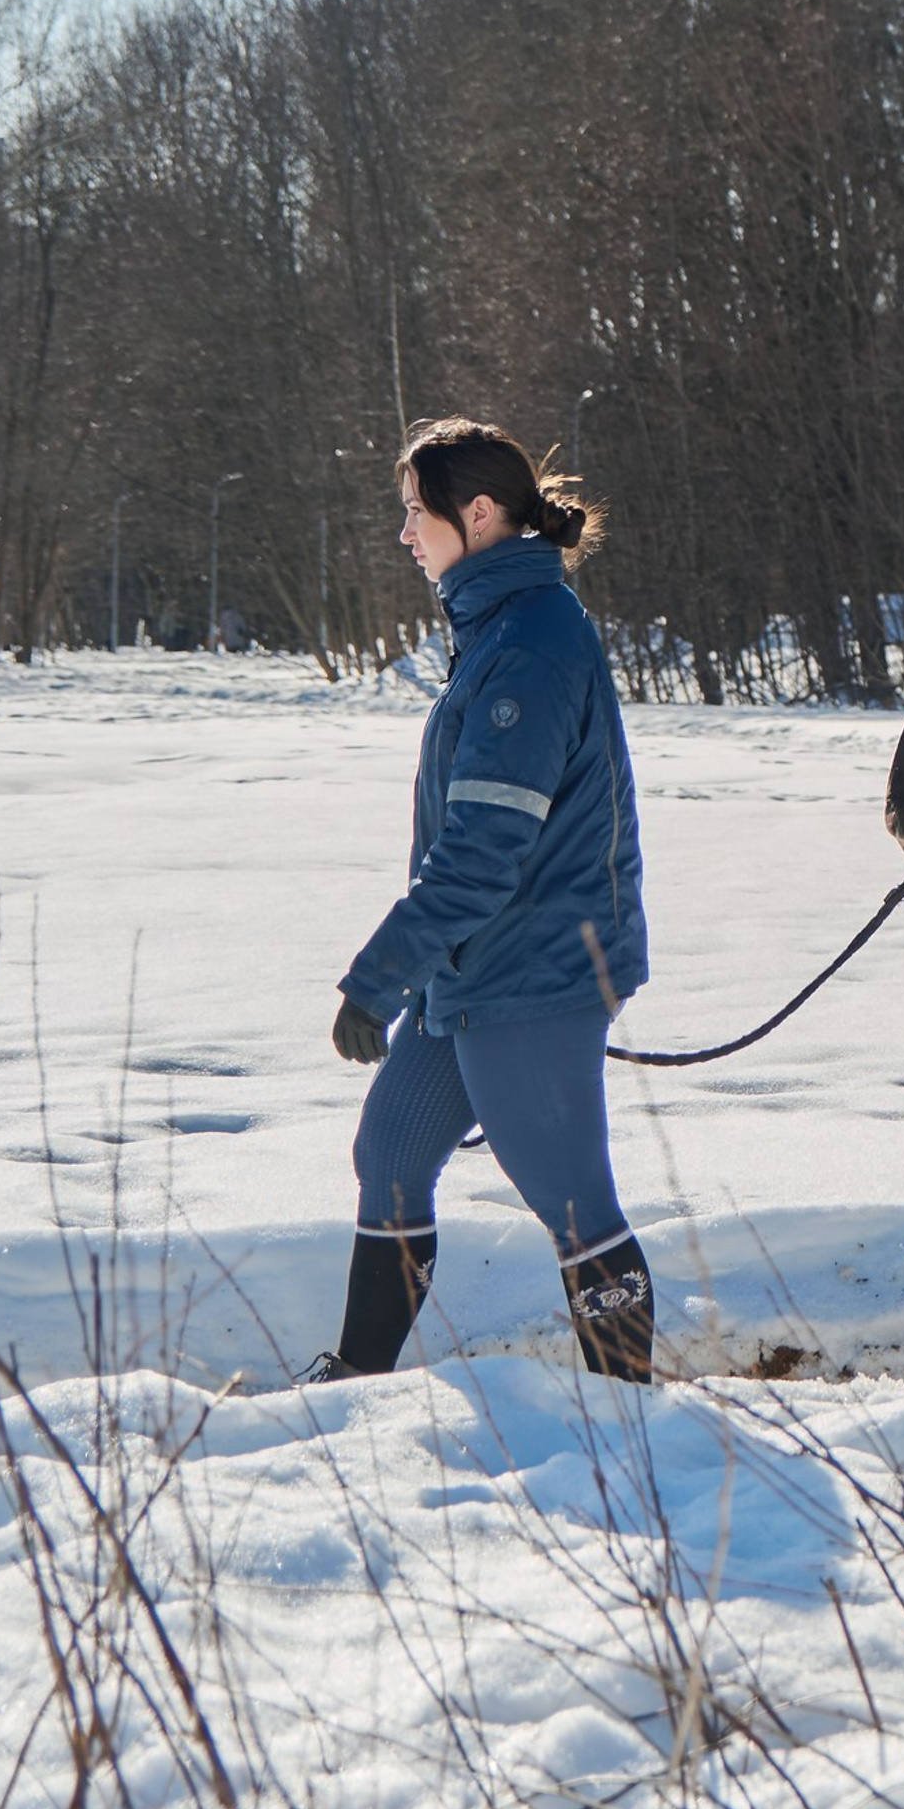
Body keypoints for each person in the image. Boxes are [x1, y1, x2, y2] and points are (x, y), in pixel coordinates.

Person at [303, 418, 654, 1385]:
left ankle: (631, 1419)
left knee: (572, 1197)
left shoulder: (532, 646)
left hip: (537, 969)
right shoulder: (499, 628)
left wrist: (378, 979)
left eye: (417, 513)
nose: (406, 534)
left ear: (480, 514)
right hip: (476, 966)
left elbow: (486, 851)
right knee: (390, 1154)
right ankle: (356, 1384)